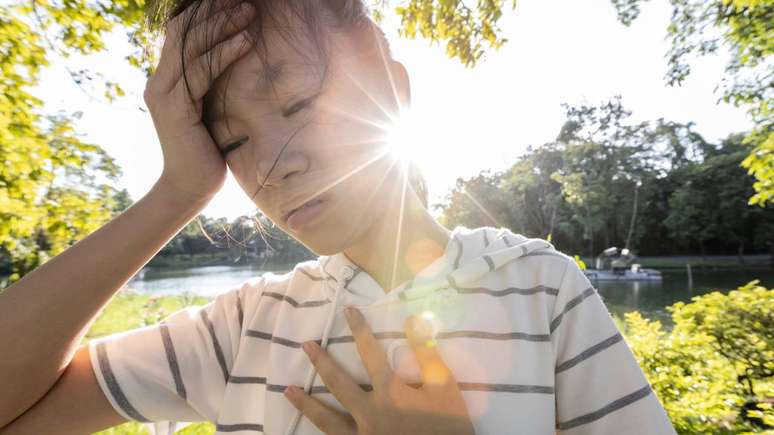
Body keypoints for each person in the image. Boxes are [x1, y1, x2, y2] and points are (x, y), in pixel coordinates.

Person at [0, 0, 677, 434]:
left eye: (296, 104)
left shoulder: (540, 289)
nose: (268, 165)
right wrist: (176, 192)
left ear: (392, 90)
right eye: (231, 140)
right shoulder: (240, 327)